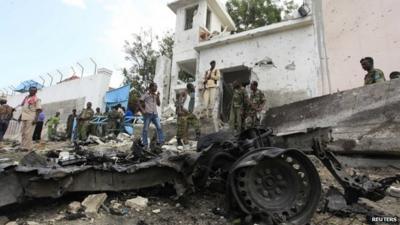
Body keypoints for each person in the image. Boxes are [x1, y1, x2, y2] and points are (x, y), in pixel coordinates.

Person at [139, 82, 164, 149]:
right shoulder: (146, 94)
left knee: (159, 127)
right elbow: (139, 102)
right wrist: (143, 110)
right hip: (148, 114)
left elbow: (158, 104)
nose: (156, 88)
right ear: (151, 87)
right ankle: (145, 144)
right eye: (155, 87)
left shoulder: (155, 95)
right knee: (145, 129)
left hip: (155, 114)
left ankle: (161, 141)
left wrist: (158, 97)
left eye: (156, 87)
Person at [19, 86, 42, 151]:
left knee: (28, 133)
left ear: (36, 92)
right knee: (23, 132)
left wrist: (36, 119)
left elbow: (38, 110)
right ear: (29, 90)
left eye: (34, 91)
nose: (33, 91)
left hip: (31, 117)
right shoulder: (26, 98)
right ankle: (22, 145)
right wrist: (20, 116)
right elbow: (24, 108)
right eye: (31, 90)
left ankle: (27, 147)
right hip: (24, 117)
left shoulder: (37, 99)